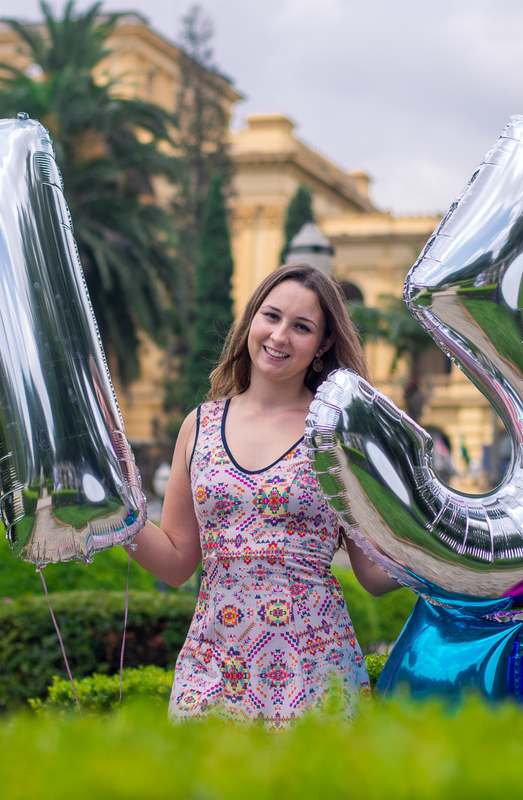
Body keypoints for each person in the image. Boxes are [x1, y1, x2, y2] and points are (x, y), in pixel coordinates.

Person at [128, 263, 399, 727]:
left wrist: (447, 558)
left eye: (302, 327)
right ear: (251, 318)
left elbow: (371, 573)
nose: (279, 336)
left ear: (323, 344)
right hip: (211, 666)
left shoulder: (336, 432)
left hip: (313, 667)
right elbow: (175, 563)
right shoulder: (199, 425)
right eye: (271, 316)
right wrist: (119, 517)